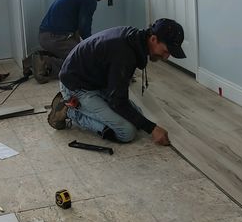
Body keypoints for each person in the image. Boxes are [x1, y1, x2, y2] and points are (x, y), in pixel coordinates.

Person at [47, 18, 186, 146]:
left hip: (94, 83)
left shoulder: (134, 39)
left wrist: (145, 124)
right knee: (127, 132)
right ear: (154, 39)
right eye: (166, 51)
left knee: (137, 115)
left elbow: (117, 94)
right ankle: (71, 111)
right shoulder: (125, 54)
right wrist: (152, 129)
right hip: (76, 87)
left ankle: (81, 107)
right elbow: (117, 101)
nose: (167, 57)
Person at [32, 0, 117, 82]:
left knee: (83, 53)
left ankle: (44, 56)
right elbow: (84, 28)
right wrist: (93, 49)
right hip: (55, 38)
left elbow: (77, 28)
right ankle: (45, 64)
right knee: (84, 63)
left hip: (47, 35)